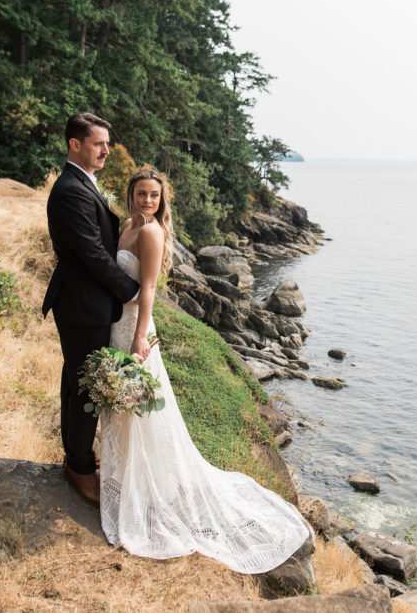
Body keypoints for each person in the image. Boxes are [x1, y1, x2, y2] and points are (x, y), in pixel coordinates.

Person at [98, 167, 312, 573]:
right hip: (114, 325)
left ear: (162, 201)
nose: (147, 201)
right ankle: (125, 480)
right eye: (141, 193)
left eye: (153, 196)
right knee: (121, 407)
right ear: (130, 195)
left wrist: (140, 338)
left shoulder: (150, 233)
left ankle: (147, 492)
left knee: (141, 411)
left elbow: (148, 290)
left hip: (134, 329)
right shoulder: (127, 225)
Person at [42, 113, 140, 507]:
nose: (105, 150)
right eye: (98, 143)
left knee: (76, 380)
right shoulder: (70, 190)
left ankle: (76, 454)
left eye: (106, 143)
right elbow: (93, 255)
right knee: (86, 385)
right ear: (74, 144)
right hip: (83, 303)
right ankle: (80, 468)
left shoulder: (83, 183)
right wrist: (133, 292)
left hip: (86, 301)